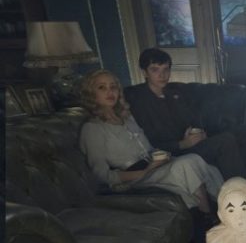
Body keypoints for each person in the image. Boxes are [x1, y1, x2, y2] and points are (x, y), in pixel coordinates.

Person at [79, 69, 223, 213]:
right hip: (135, 178)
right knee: (186, 164)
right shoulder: (92, 129)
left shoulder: (127, 118)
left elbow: (149, 149)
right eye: (102, 87)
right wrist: (144, 171)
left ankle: (225, 204)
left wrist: (163, 157)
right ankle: (208, 216)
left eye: (113, 86)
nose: (110, 92)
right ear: (91, 93)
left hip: (154, 166)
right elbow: (101, 175)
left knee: (195, 159)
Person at [124, 48, 246, 181]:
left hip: (192, 142)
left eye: (166, 69)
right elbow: (149, 142)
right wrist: (182, 144)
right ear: (145, 72)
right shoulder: (138, 100)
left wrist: (200, 132)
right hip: (174, 153)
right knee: (225, 141)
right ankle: (242, 191)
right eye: (155, 70)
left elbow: (193, 118)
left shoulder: (174, 92)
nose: (162, 75)